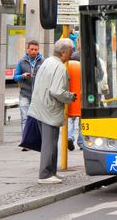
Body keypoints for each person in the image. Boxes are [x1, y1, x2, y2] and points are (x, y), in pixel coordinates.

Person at [27, 38, 77, 184]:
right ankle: (45, 175)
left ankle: (51, 172)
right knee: (50, 143)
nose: (72, 53)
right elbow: (57, 91)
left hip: (40, 107)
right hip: (50, 109)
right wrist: (70, 97)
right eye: (70, 50)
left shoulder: (47, 62)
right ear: (63, 52)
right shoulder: (60, 67)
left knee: (50, 142)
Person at [13, 40, 45, 150]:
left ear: (38, 50)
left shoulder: (42, 61)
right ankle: (26, 142)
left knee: (38, 119)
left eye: (36, 49)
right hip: (25, 94)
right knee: (25, 118)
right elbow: (15, 77)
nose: (34, 51)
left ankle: (37, 141)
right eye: (32, 49)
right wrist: (22, 76)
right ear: (27, 49)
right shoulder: (22, 62)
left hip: (37, 95)